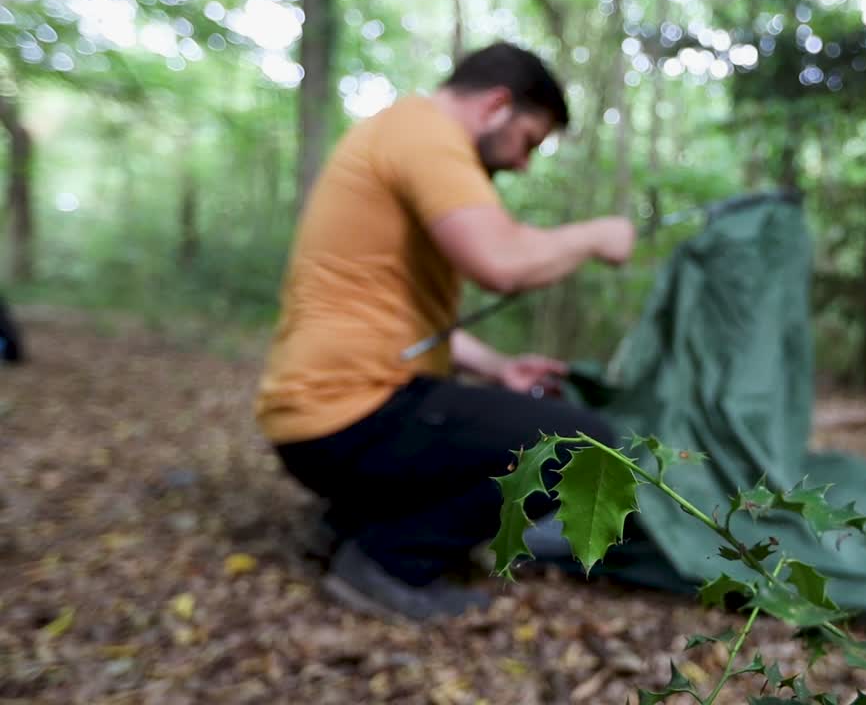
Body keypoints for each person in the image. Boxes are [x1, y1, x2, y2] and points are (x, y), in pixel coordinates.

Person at [254, 42, 636, 621]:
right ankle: (387, 560)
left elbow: (405, 318)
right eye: (528, 141)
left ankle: (351, 521)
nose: (524, 163)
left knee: (494, 415)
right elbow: (500, 261)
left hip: (320, 420)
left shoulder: (396, 133)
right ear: (497, 106)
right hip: (346, 419)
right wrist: (596, 236)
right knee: (587, 445)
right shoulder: (426, 134)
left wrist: (497, 368)